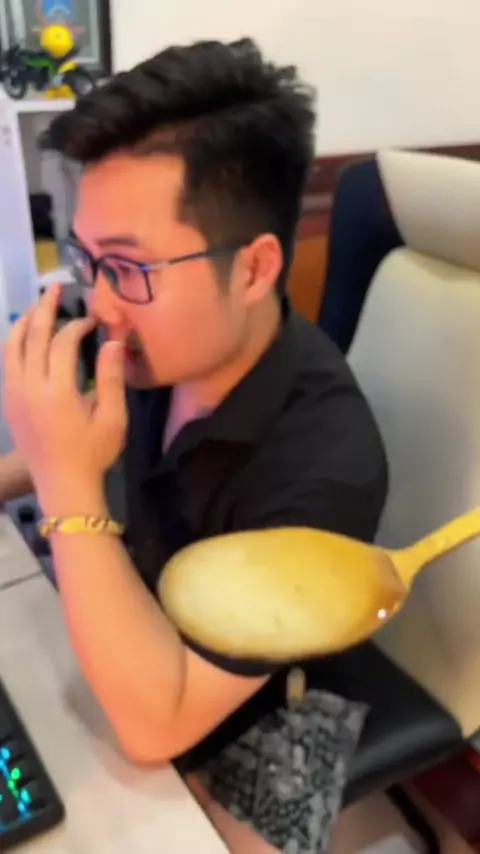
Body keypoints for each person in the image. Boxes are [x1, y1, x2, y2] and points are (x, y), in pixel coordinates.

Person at [2, 39, 388, 854]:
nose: (100, 304)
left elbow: (157, 726)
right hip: (146, 604)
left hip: (278, 692)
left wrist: (66, 486)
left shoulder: (326, 469)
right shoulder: (153, 345)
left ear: (252, 269)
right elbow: (73, 445)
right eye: (88, 260)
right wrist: (38, 458)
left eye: (127, 266)